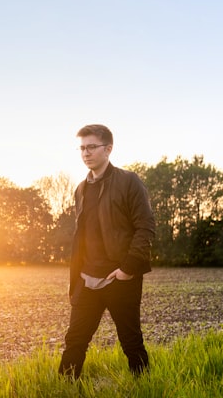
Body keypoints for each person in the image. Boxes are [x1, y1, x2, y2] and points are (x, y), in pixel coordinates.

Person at [59, 124, 155, 379]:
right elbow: (82, 236)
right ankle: (63, 393)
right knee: (75, 341)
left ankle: (146, 390)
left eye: (91, 147)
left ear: (108, 149)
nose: (85, 153)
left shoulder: (128, 181)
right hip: (87, 280)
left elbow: (145, 227)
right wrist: (77, 277)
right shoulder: (81, 189)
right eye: (82, 148)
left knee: (131, 342)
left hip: (119, 278)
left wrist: (127, 269)